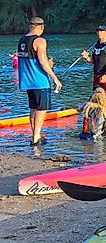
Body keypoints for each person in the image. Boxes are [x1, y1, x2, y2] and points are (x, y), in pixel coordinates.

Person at [17, 17, 62, 146]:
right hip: (40, 81)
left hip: (27, 81)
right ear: (42, 27)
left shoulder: (22, 40)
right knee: (41, 109)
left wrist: (47, 63)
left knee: (33, 108)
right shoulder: (40, 40)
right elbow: (42, 62)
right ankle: (36, 137)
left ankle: (34, 134)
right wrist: (55, 78)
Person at [80, 25, 106, 109]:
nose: (99, 33)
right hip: (96, 74)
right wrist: (87, 57)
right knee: (97, 95)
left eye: (101, 31)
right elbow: (94, 61)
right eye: (98, 31)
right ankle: (100, 113)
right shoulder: (96, 46)